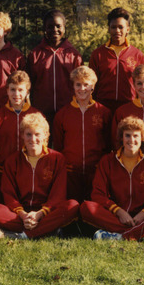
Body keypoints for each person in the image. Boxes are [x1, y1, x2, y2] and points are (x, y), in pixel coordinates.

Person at [80, 116, 144, 241]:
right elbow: (98, 194)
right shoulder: (107, 161)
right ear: (121, 138)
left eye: (136, 136)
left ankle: (123, 236)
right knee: (86, 208)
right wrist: (119, 212)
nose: (131, 140)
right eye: (127, 135)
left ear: (142, 138)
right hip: (117, 216)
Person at [0, 113, 79, 240]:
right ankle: (46, 230)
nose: (33, 139)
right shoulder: (12, 161)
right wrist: (24, 215)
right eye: (29, 134)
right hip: (20, 214)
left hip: (45, 213)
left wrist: (39, 214)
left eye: (37, 134)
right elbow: (9, 195)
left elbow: (58, 195)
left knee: (72, 206)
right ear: (22, 135)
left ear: (45, 135)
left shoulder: (57, 159)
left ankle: (22, 235)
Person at [52, 66, 112, 202]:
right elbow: (58, 145)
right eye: (78, 84)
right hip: (71, 172)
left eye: (86, 85)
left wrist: (101, 164)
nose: (82, 88)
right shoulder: (62, 114)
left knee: (93, 208)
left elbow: (109, 144)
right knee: (72, 207)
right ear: (73, 86)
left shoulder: (104, 113)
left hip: (95, 171)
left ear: (93, 87)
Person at [0, 70, 40, 201]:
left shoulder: (36, 115)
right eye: (13, 90)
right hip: (2, 170)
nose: (17, 94)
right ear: (7, 91)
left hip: (28, 169)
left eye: (21, 90)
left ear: (27, 91)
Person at [25, 9, 83, 126]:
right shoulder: (35, 54)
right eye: (50, 26)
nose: (54, 30)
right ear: (45, 29)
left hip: (68, 109)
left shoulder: (73, 54)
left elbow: (81, 83)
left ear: (64, 28)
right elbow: (28, 83)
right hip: (41, 110)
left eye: (58, 26)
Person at [87, 7, 144, 113]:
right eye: (113, 27)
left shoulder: (137, 54)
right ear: (108, 29)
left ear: (128, 29)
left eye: (120, 27)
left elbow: (141, 83)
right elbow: (90, 83)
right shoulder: (98, 54)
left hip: (128, 106)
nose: (117, 31)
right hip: (102, 106)